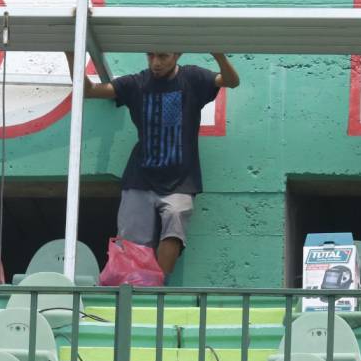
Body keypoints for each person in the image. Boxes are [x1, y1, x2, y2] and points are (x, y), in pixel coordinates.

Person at [68, 51, 240, 275]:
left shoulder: (193, 78)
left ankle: (155, 288)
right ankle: (132, 287)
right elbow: (89, 91)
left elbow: (231, 81)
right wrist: (71, 55)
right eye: (150, 56)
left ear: (177, 55)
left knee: (175, 219)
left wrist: (219, 55)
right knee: (130, 236)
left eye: (163, 57)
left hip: (181, 179)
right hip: (140, 177)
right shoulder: (136, 83)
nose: (155, 63)